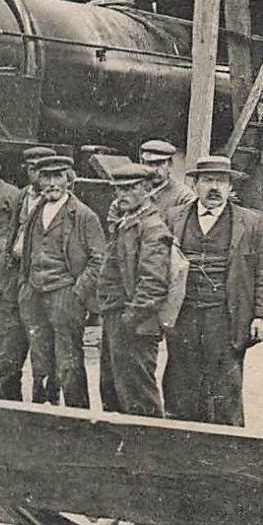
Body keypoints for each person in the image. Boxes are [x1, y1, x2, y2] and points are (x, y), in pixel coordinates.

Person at [162, 155, 263, 425]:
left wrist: (262, 316)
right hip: (183, 314)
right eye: (208, 180)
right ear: (196, 184)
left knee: (225, 389)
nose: (215, 188)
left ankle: (228, 449)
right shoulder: (174, 218)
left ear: (230, 187)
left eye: (221, 181)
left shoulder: (251, 223)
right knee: (181, 382)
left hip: (225, 316)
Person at [19, 154, 104, 408]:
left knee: (68, 362)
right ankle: (43, 410)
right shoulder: (36, 211)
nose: (52, 183)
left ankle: (78, 416)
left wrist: (77, 293)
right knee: (40, 359)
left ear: (69, 179)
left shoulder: (83, 215)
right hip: (35, 292)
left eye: (58, 176)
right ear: (38, 180)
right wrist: (25, 286)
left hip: (65, 294)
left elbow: (99, 259)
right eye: (46, 176)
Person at [93, 162, 170, 417]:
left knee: (138, 395)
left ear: (147, 189)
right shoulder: (126, 221)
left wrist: (128, 320)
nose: (122, 195)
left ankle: (150, 452)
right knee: (114, 390)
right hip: (117, 318)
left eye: (129, 189)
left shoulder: (152, 228)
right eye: (118, 190)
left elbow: (154, 283)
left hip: (136, 324)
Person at [0, 146, 53, 400]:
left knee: (42, 356)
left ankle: (40, 405)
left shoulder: (57, 202)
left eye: (40, 169)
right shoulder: (22, 196)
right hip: (15, 279)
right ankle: (10, 405)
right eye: (31, 168)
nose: (34, 174)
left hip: (40, 282)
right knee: (8, 350)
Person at [139, 138, 197, 214]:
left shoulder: (183, 196)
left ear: (170, 164)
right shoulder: (135, 191)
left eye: (159, 163)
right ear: (142, 164)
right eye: (150, 164)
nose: (154, 169)